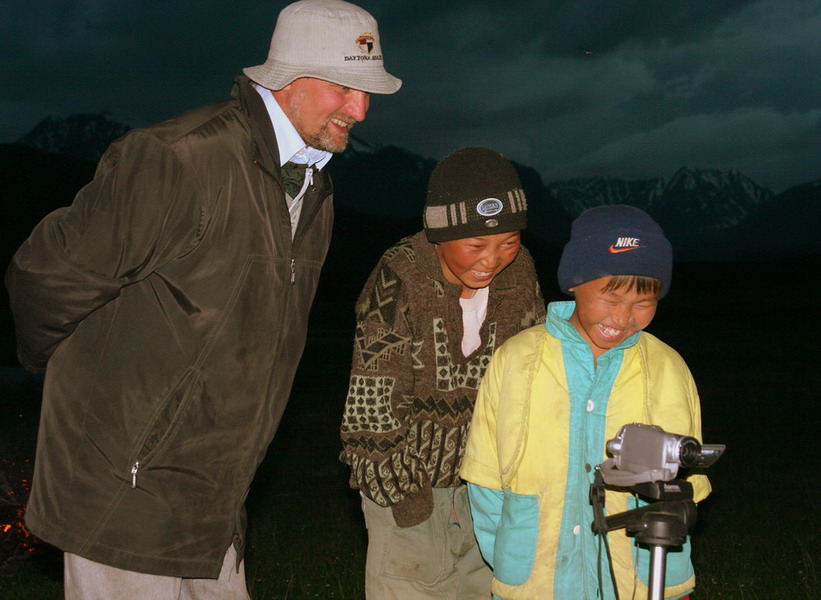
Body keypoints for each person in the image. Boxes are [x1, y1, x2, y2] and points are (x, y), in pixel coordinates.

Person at [4, 0, 400, 597]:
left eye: (368, 91)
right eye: (346, 86)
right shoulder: (181, 159)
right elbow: (44, 276)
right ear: (288, 76)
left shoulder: (314, 188)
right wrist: (66, 381)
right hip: (127, 490)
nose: (361, 108)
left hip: (216, 497)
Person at [460, 205, 711, 600]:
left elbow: (687, 487)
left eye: (643, 303)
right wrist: (512, 565)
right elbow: (485, 481)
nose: (624, 317)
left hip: (644, 580)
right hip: (537, 580)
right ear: (576, 281)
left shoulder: (668, 369)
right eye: (610, 298)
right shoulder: (517, 360)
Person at [340, 147, 546, 599]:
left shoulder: (521, 276)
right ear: (438, 234)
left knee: (484, 586)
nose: (493, 259)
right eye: (476, 245)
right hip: (406, 483)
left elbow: (533, 376)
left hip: (487, 485)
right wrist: (404, 491)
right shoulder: (399, 278)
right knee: (412, 583)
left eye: (509, 242)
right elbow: (372, 403)